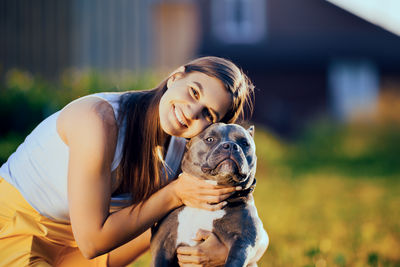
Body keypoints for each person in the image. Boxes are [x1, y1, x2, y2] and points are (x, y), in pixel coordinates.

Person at [0, 56, 262, 266]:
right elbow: (92, 243)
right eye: (194, 92)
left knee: (192, 234)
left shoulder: (186, 146)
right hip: (18, 229)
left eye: (207, 113)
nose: (192, 111)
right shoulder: (97, 119)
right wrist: (174, 194)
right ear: (175, 77)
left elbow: (251, 226)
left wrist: (230, 252)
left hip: (82, 246)